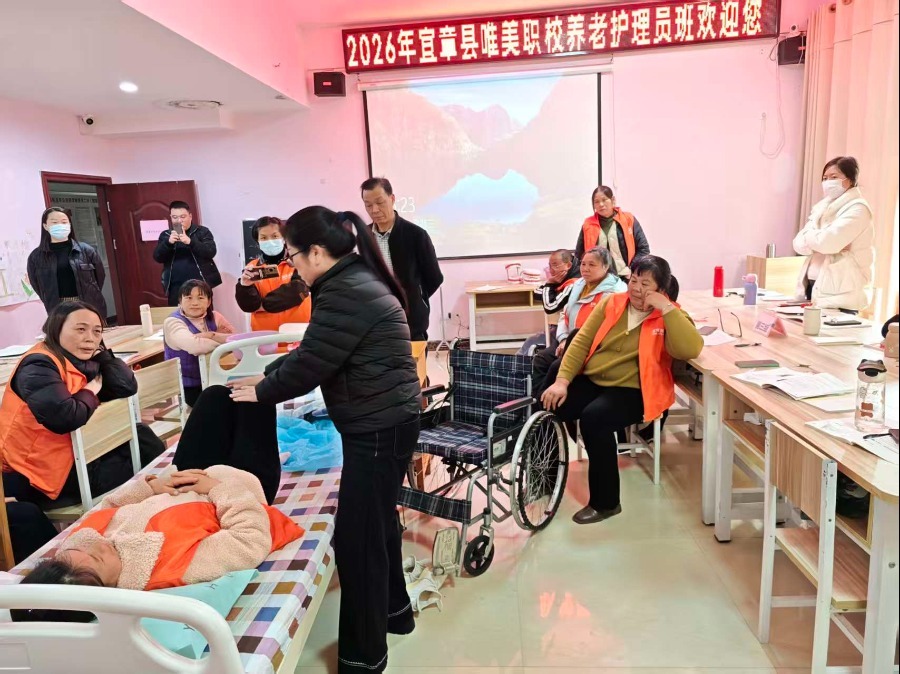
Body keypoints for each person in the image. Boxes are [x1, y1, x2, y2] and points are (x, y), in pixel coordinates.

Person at [228, 206, 421, 674]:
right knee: (377, 525)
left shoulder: (344, 290)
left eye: (293, 255)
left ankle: (363, 658)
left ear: (316, 252)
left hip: (378, 427)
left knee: (357, 539)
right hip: (386, 420)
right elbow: (318, 351)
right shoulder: (351, 280)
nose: (292, 265)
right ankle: (396, 614)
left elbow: (312, 362)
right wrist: (267, 375)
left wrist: (262, 390)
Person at [541, 256, 702, 525]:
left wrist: (666, 307)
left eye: (645, 284)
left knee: (595, 419)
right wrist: (562, 381)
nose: (636, 289)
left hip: (636, 390)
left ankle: (606, 503)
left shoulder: (672, 315)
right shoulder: (612, 303)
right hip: (596, 379)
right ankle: (544, 477)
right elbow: (580, 342)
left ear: (661, 289)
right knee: (548, 404)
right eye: (633, 280)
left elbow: (690, 349)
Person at [0, 301, 164, 509]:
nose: (90, 338)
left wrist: (103, 355)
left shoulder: (79, 359)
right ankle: (152, 507)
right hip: (39, 476)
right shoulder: (38, 365)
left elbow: (126, 387)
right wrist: (90, 390)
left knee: (141, 437)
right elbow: (64, 416)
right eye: (80, 329)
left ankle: (160, 501)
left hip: (74, 455)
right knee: (141, 460)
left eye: (97, 332)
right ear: (56, 329)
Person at [531, 248, 626, 392]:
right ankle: (539, 401)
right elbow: (564, 314)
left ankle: (547, 401)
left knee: (556, 367)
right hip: (568, 340)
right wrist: (563, 339)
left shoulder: (614, 293)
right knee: (541, 359)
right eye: (583, 264)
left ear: (606, 267)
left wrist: (572, 343)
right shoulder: (578, 284)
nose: (585, 269)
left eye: (592, 265)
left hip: (591, 346)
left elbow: (603, 330)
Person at [361, 177, 443, 340]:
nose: (374, 210)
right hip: (376, 320)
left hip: (411, 322)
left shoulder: (416, 235)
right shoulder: (364, 237)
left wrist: (416, 297)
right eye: (368, 205)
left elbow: (434, 277)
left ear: (392, 199)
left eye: (380, 202)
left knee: (414, 356)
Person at [793, 156, 874, 311]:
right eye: (825, 178)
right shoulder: (821, 208)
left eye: (834, 177)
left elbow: (827, 243)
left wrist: (816, 240)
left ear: (850, 180)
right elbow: (798, 244)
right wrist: (820, 241)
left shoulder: (858, 209)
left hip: (841, 295)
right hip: (812, 286)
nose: (828, 182)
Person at [163, 280, 235, 407]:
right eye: (189, 298)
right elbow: (196, 347)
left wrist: (211, 335)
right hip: (189, 386)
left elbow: (237, 340)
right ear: (180, 301)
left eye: (200, 298)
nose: (195, 303)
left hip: (217, 380)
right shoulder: (173, 322)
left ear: (209, 301)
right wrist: (223, 343)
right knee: (224, 406)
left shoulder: (215, 316)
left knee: (244, 399)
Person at [26, 207, 107, 318]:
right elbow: (36, 285)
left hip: (89, 305)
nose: (60, 225)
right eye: (54, 222)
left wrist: (89, 295)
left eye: (64, 222)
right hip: (58, 308)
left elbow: (99, 277)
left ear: (69, 224)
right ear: (45, 226)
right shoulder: (36, 257)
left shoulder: (86, 250)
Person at [235, 216, 311, 331]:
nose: (270, 241)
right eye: (263, 238)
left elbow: (298, 291)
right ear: (258, 242)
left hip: (298, 333)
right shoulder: (252, 268)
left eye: (275, 236)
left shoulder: (297, 262)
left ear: (284, 238)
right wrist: (245, 286)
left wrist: (262, 306)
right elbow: (248, 306)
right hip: (264, 335)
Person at [152, 201, 222, 307]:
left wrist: (190, 242)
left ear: (190, 216)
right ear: (171, 217)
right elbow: (158, 257)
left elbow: (211, 252)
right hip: (175, 286)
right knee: (177, 315)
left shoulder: (202, 231)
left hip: (200, 284)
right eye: (175, 217)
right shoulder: (166, 235)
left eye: (183, 217)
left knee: (203, 314)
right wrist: (168, 243)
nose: (179, 221)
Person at [574, 186, 649, 280]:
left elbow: (644, 249)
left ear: (613, 200)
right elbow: (579, 254)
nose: (601, 204)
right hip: (598, 279)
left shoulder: (628, 219)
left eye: (604, 200)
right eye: (596, 202)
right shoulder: (588, 224)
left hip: (625, 276)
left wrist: (632, 269)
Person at [517, 249, 581, 356]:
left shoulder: (574, 282)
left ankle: (516, 366)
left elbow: (550, 307)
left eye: (555, 265)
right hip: (559, 327)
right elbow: (537, 293)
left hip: (567, 331)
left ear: (568, 265)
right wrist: (550, 285)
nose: (551, 270)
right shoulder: (562, 277)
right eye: (549, 266)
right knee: (530, 341)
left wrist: (550, 283)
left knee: (531, 342)